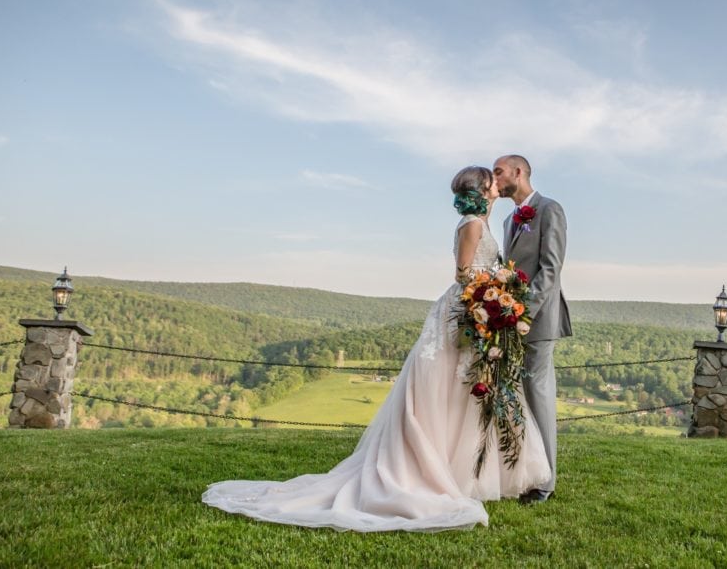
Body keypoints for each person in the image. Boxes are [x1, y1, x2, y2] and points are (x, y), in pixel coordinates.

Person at [202, 165, 550, 532]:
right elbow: (462, 272)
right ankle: (433, 472)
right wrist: (487, 293)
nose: (497, 182)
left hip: (476, 309)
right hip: (466, 309)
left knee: (463, 393)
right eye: (491, 179)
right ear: (482, 189)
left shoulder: (481, 220)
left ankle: (462, 473)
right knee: (449, 391)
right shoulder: (472, 224)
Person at [493, 154, 572, 505]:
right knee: (518, 397)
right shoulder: (510, 218)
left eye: (499, 171)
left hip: (537, 321)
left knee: (538, 397)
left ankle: (545, 483)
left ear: (518, 172)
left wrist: (525, 314)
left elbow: (550, 270)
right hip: (510, 321)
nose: (494, 177)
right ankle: (523, 471)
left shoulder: (549, 209)